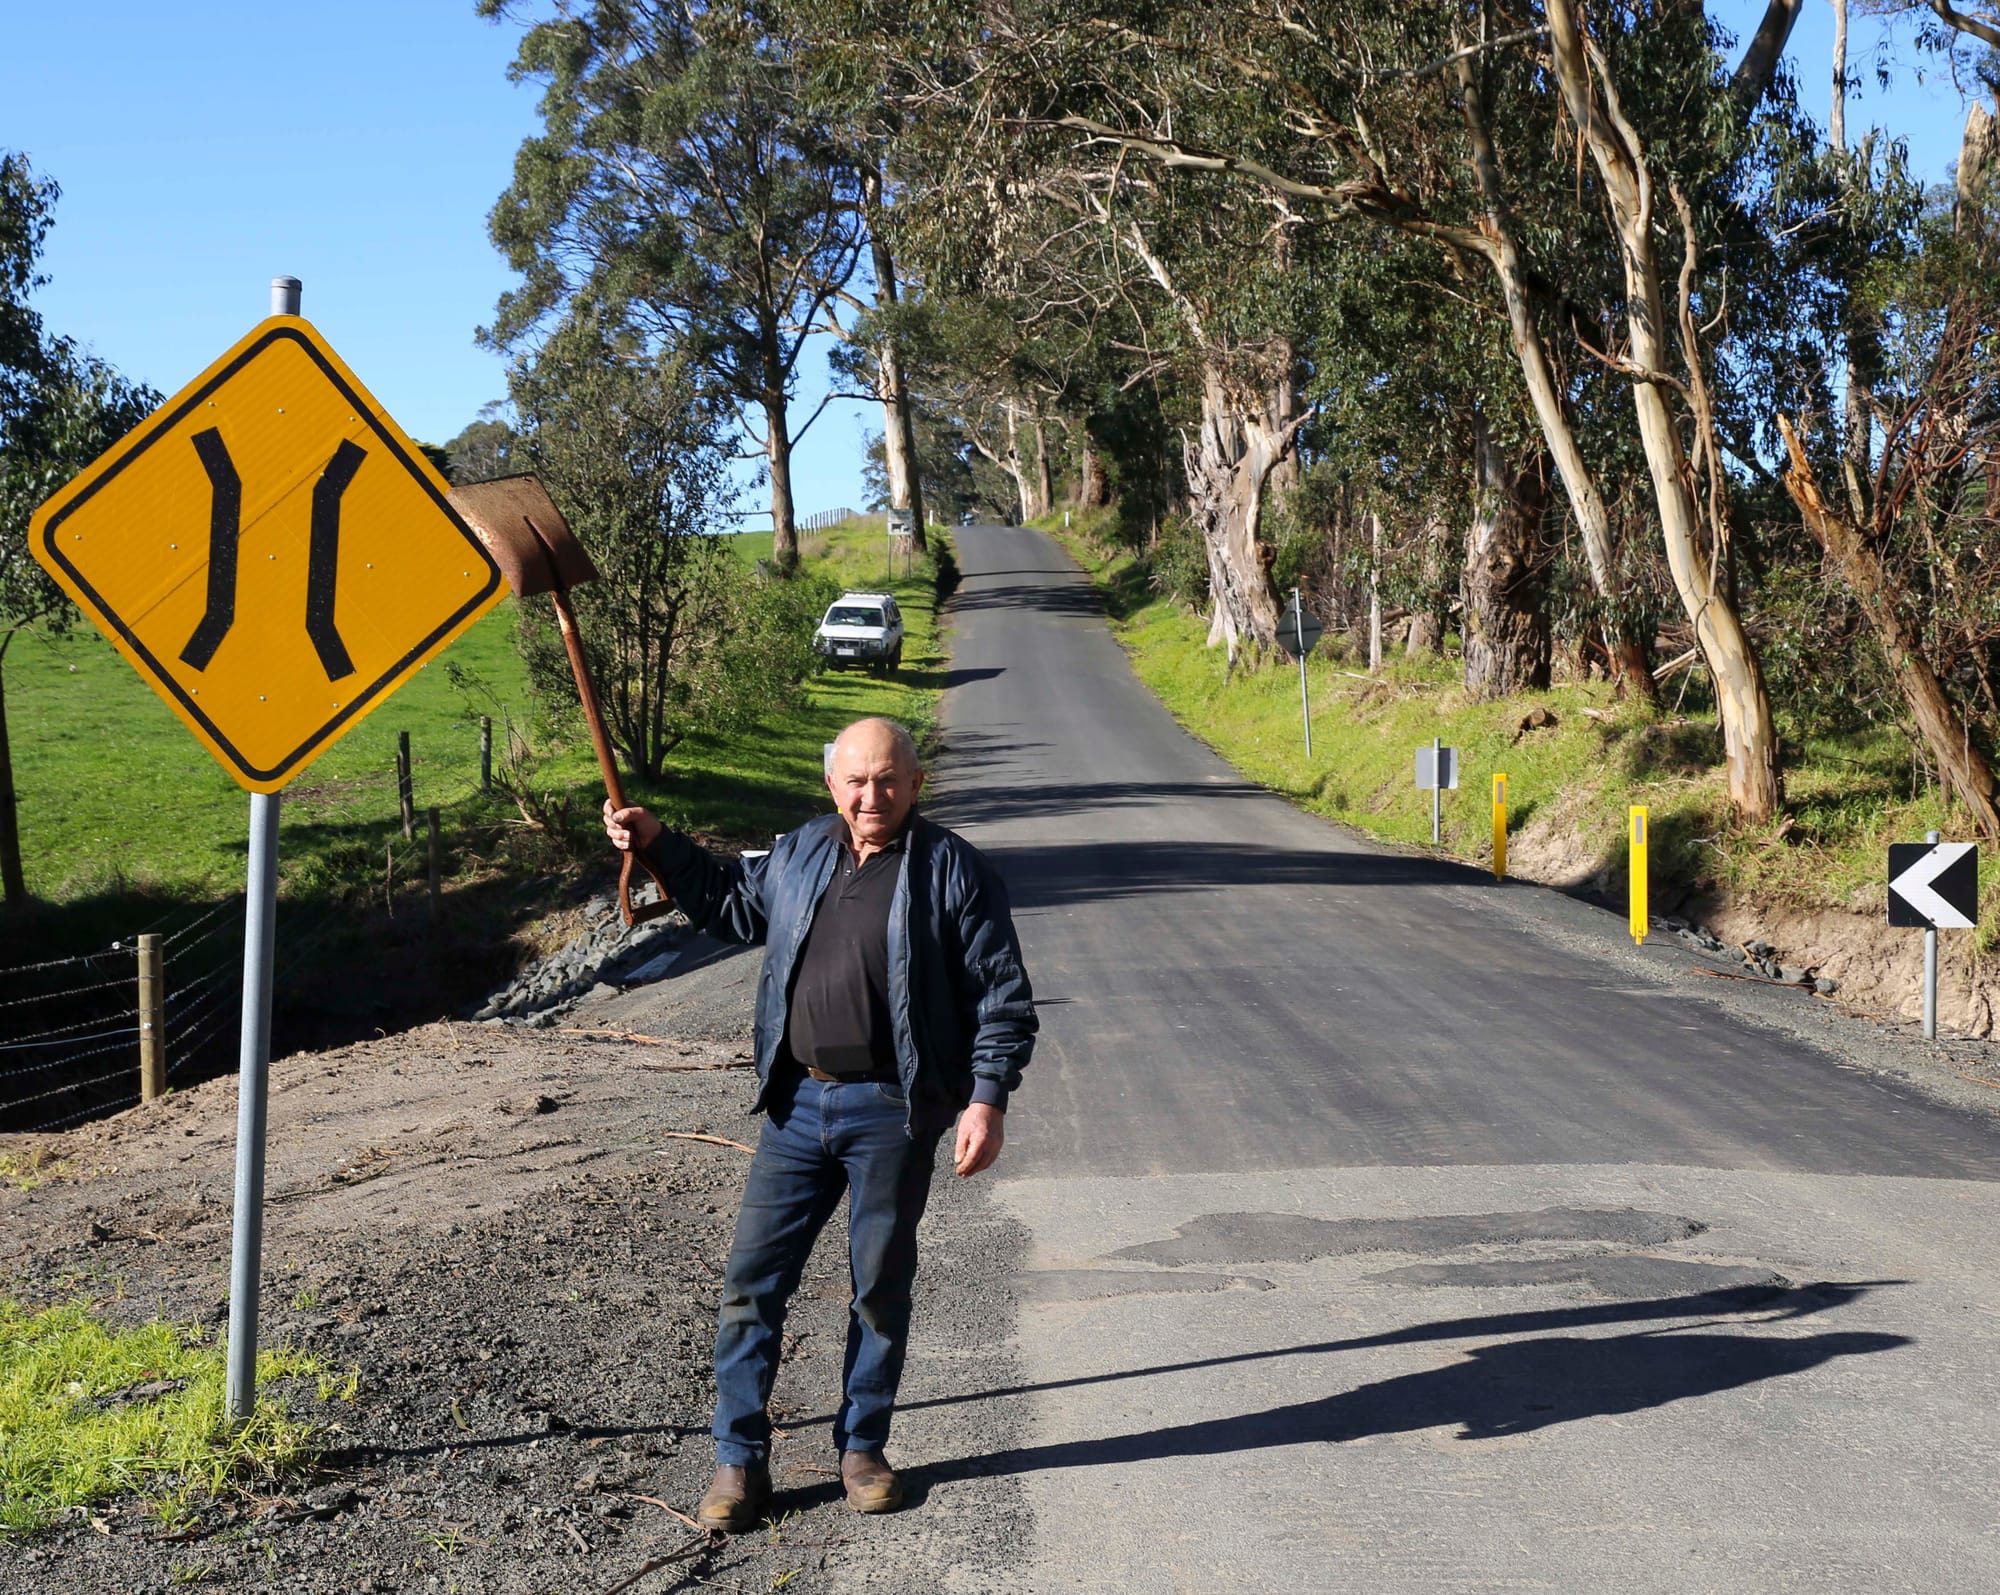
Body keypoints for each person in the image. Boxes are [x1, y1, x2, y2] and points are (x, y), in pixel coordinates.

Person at [601, 716, 1036, 1529]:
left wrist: (987, 1096)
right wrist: (658, 840)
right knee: (752, 1285)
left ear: (914, 784)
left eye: (887, 779)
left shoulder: (954, 871)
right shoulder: (800, 852)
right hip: (797, 1105)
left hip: (893, 1111)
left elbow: (1002, 996)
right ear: (832, 784)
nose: (871, 794)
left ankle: (862, 1446)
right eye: (856, 779)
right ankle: (738, 1461)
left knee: (878, 1285)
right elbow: (731, 903)